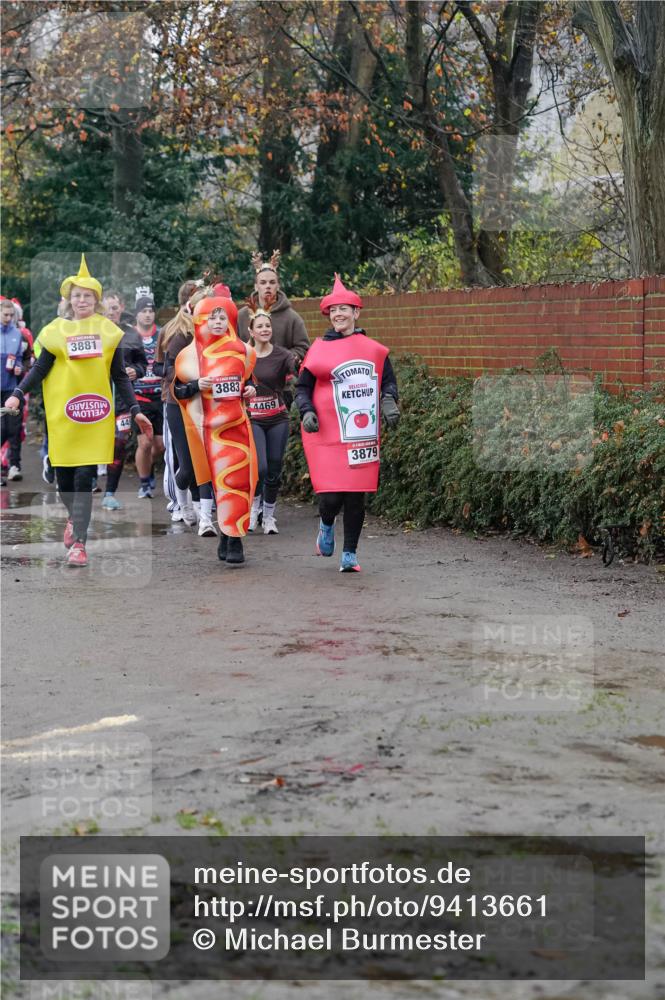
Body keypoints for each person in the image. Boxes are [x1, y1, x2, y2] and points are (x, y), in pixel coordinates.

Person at [3, 254, 153, 567]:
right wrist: (17, 393)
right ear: (69, 300)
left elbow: (119, 375)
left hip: (96, 417)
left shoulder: (108, 332)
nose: (82, 300)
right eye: (77, 296)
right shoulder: (55, 331)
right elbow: (40, 368)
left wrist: (135, 409)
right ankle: (74, 519)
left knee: (85, 479)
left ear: (96, 300)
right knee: (65, 482)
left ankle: (80, 544)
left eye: (87, 296)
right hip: (63, 419)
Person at [295, 274, 400, 573]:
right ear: (328, 315)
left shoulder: (374, 350)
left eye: (344, 309)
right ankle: (326, 523)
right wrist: (307, 411)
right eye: (333, 310)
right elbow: (302, 388)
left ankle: (350, 553)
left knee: (356, 493)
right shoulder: (318, 349)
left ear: (356, 312)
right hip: (326, 433)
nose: (339, 314)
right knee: (331, 496)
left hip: (361, 433)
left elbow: (387, 382)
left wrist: (388, 401)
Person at [173, 294, 257, 565]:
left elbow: (249, 383)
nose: (218, 322)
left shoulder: (245, 351)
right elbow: (177, 391)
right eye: (213, 318)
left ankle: (234, 538)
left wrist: (251, 390)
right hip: (204, 430)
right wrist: (198, 385)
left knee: (237, 481)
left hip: (236, 428)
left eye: (223, 317)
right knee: (216, 484)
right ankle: (225, 532)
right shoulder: (187, 356)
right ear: (201, 321)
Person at [158, 284, 217, 535]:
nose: (212, 316)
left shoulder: (219, 334)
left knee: (207, 460)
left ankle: (206, 518)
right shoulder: (180, 334)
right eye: (206, 310)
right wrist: (194, 384)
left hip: (210, 404)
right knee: (189, 466)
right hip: (179, 404)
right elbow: (170, 374)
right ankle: (180, 499)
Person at [246, 308, 296, 534]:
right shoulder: (244, 355)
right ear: (251, 331)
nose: (265, 330)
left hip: (278, 418)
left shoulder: (282, 355)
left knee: (274, 465)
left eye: (268, 326)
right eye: (260, 327)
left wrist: (300, 364)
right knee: (261, 467)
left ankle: (268, 516)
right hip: (253, 419)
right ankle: (253, 509)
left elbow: (298, 372)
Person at [100, 290, 147, 510]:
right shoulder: (92, 332)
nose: (112, 312)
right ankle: (87, 481)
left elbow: (142, 364)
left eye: (115, 308)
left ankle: (110, 492)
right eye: (108, 308)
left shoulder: (131, 334)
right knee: (94, 445)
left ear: (121, 308)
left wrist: (135, 371)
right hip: (96, 400)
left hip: (122, 401)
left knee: (119, 444)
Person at [237, 251, 310, 367]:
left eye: (272, 282)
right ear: (256, 286)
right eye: (263, 282)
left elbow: (303, 348)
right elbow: (232, 346)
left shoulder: (292, 318)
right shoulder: (241, 316)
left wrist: (281, 359)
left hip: (281, 378)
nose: (267, 286)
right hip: (248, 377)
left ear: (278, 285)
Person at [132, 293, 164, 498]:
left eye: (150, 311)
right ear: (136, 314)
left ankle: (147, 468)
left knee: (159, 446)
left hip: (160, 398)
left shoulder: (161, 334)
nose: (147, 315)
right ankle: (144, 483)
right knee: (144, 443)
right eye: (143, 311)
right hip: (139, 398)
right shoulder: (129, 337)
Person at [1, 296, 32, 484]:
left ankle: (15, 466)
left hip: (12, 388)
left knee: (14, 428)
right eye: (5, 315)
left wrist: (20, 367)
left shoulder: (17, 334)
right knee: (1, 429)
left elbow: (22, 357)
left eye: (11, 315)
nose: (8, 318)